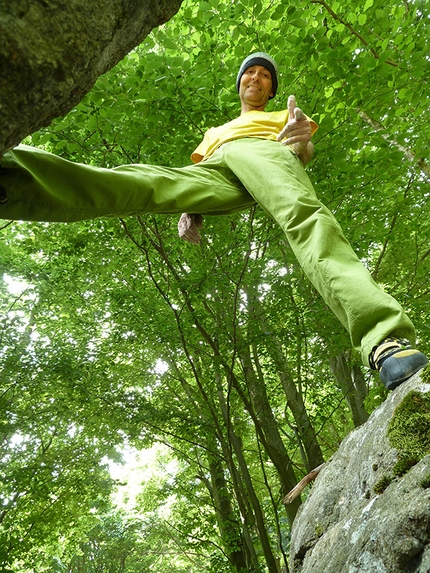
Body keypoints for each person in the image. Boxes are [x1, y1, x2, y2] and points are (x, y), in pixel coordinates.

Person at [0, 52, 427, 390]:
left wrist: (301, 143)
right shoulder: (215, 129)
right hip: (221, 163)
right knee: (144, 181)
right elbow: (202, 175)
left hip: (267, 151)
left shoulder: (281, 117)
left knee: (304, 217)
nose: (255, 79)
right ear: (240, 83)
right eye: (249, 73)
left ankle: (383, 337)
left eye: (264, 75)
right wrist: (191, 210)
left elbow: (301, 150)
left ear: (271, 89)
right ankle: (15, 181)